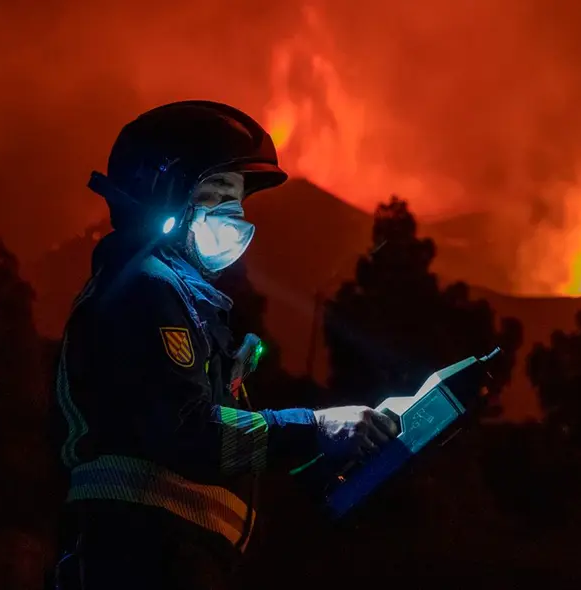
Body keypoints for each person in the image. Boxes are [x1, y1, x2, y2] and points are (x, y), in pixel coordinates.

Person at [51, 100, 399, 589]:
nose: (232, 217)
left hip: (167, 554)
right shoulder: (146, 291)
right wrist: (315, 426)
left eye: (237, 201)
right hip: (142, 555)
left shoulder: (177, 299)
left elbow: (213, 442)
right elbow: (185, 432)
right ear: (162, 195)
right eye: (215, 193)